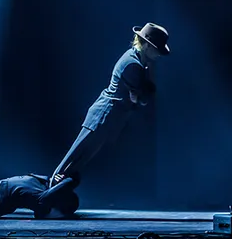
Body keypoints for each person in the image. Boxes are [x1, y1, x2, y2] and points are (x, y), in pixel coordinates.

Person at [50, 23, 170, 187]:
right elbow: (139, 100)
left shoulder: (139, 61)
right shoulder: (133, 64)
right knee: (73, 158)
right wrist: (148, 88)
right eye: (157, 49)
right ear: (148, 45)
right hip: (103, 115)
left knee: (81, 159)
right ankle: (49, 192)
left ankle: (56, 193)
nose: (158, 54)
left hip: (109, 117)